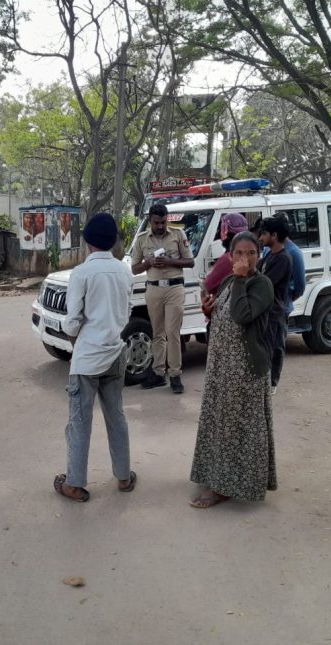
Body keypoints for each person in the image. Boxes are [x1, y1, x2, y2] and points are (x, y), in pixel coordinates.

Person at [190, 231, 276, 508]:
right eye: (239, 253)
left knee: (238, 428)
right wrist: (208, 310)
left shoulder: (262, 284)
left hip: (244, 370)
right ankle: (216, 474)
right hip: (221, 367)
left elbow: (242, 315)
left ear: (258, 256)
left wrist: (240, 280)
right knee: (219, 423)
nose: (245, 258)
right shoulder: (228, 281)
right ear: (230, 256)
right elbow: (223, 313)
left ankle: (227, 486)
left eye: (251, 253)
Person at [54, 213, 136, 502]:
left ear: (87, 241)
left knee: (79, 421)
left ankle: (74, 483)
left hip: (87, 358)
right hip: (116, 352)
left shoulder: (82, 273)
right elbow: (126, 312)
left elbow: (73, 321)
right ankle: (124, 477)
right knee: (116, 417)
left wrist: (78, 343)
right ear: (113, 240)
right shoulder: (125, 271)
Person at [130, 203, 194, 394]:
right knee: (158, 333)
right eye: (156, 222)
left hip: (174, 288)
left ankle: (175, 375)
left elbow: (190, 261)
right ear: (150, 221)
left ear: (167, 219)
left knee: (172, 332)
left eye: (163, 222)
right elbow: (134, 269)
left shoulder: (178, 235)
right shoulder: (141, 239)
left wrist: (170, 261)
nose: (160, 226)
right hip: (154, 290)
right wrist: (148, 263)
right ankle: (158, 374)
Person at [257, 218, 293, 395]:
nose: (261, 237)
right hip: (265, 311)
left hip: (275, 311)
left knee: (275, 347)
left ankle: (272, 383)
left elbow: (265, 283)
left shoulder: (284, 259)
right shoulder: (269, 255)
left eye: (264, 233)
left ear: (274, 235)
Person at [203, 213, 249, 294]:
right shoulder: (250, 256)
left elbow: (207, 286)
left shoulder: (227, 259)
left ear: (225, 231)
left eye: (221, 229)